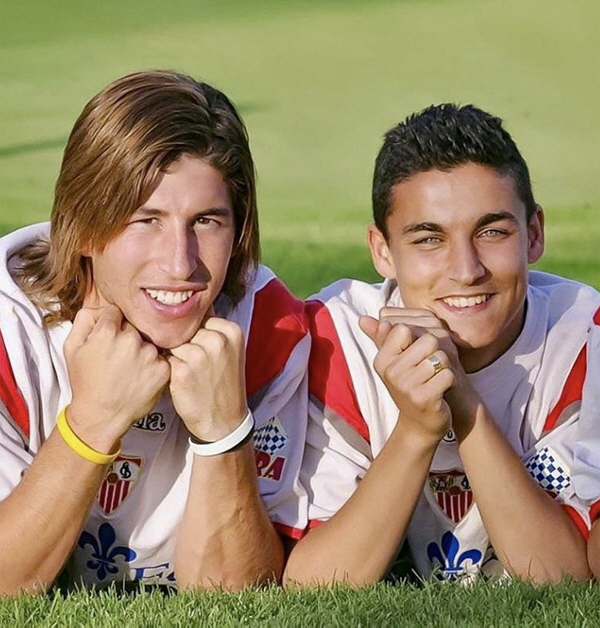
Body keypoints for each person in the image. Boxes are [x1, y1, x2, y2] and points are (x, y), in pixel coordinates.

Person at [0, 70, 309, 595]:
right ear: (84, 225)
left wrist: (224, 432)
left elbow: (236, 596)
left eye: (207, 221)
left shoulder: (269, 326)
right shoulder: (10, 330)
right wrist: (91, 423)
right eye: (146, 220)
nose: (180, 263)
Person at [284, 104, 599, 585]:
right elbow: (313, 584)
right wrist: (416, 431)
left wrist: (464, 403)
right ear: (382, 251)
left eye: (492, 231)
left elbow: (562, 579)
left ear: (534, 235)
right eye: (429, 239)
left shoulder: (584, 337)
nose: (467, 269)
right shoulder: (338, 335)